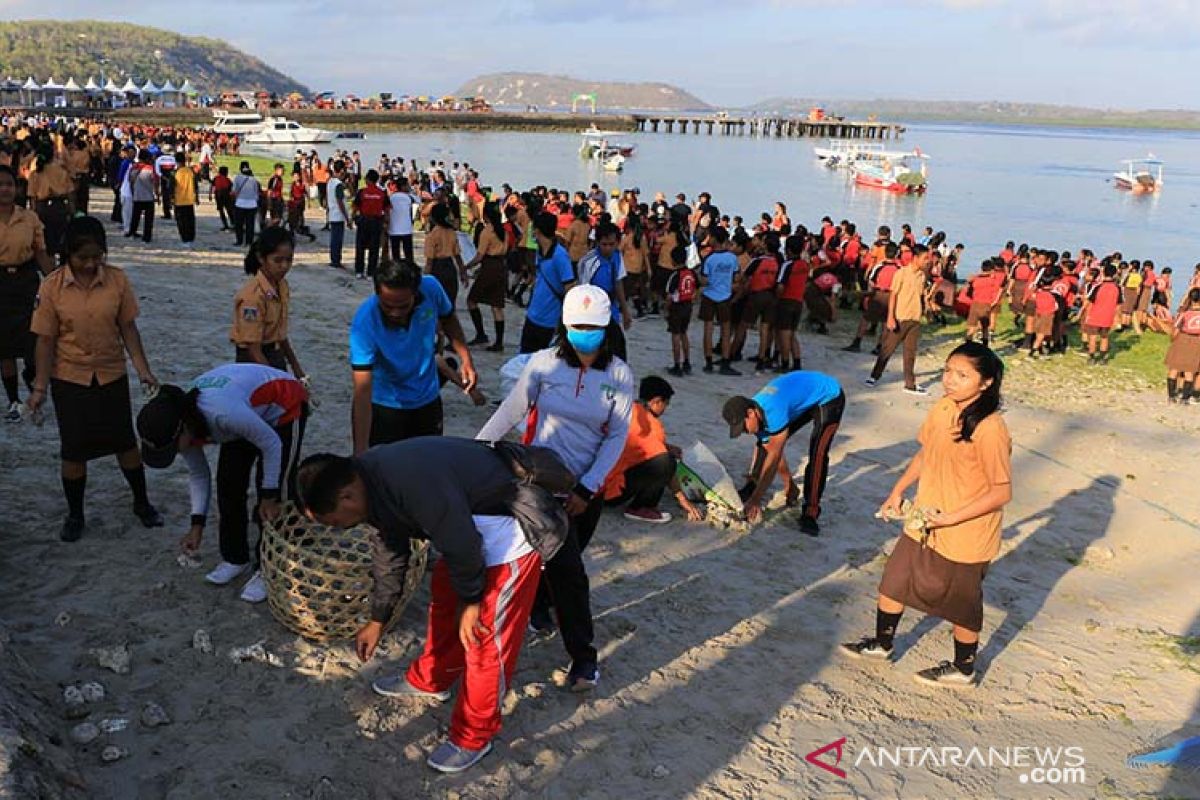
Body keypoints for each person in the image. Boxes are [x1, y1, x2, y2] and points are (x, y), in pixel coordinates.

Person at [295, 438, 567, 773]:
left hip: (507, 533)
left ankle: (474, 735)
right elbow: (390, 553)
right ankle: (432, 678)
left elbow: (463, 542)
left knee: (484, 639)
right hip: (465, 531)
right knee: (442, 606)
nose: (333, 529)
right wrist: (378, 618)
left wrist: (471, 602)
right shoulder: (369, 484)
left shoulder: (409, 481)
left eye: (331, 521)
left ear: (347, 495)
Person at [478, 285, 634, 692]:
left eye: (592, 327)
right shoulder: (544, 364)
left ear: (606, 328)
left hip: (586, 489)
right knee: (564, 570)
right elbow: (512, 409)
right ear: (565, 327)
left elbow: (616, 437)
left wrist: (588, 487)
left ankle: (543, 609)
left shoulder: (618, 374)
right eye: (577, 327)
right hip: (538, 483)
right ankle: (584, 659)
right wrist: (476, 450)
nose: (585, 333)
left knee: (568, 567)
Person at [841, 343, 1011, 688]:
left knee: (962, 605)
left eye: (962, 375)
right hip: (924, 518)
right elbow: (926, 453)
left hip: (966, 532)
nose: (950, 380)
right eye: (948, 371)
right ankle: (882, 643)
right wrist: (897, 489)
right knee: (894, 580)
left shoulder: (991, 428)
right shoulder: (943, 407)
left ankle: (964, 668)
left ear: (986, 383)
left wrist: (951, 519)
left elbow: (1000, 492)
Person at [27, 216, 163, 541]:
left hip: (110, 374)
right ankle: (75, 515)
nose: (90, 264)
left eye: (96, 256)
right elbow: (45, 340)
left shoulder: (117, 281)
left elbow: (128, 328)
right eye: (82, 258)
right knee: (74, 449)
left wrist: (143, 370)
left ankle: (142, 503)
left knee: (125, 443)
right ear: (67, 254)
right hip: (69, 378)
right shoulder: (51, 286)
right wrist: (40, 387)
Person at [136, 363, 309, 603]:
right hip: (247, 411)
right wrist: (197, 524)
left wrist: (269, 494)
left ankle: (269, 568)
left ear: (184, 429)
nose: (176, 453)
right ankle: (235, 557)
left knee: (275, 493)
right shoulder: (181, 420)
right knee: (228, 485)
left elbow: (272, 444)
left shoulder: (223, 414)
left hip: (284, 406)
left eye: (173, 448)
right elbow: (199, 475)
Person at [350, 259, 475, 451]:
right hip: (386, 407)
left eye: (403, 305)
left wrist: (466, 359)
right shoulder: (365, 323)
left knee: (425, 467)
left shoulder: (431, 288)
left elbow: (449, 320)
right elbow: (362, 390)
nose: (395, 312)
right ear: (377, 293)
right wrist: (360, 449)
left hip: (428, 402)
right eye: (388, 306)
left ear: (416, 293)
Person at [722, 370, 844, 535]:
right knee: (764, 445)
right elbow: (769, 449)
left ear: (750, 413)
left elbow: (774, 458)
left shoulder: (774, 412)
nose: (745, 432)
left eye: (743, 427)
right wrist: (789, 485)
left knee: (818, 455)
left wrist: (756, 500)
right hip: (802, 394)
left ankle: (811, 512)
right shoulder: (756, 411)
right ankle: (753, 485)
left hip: (829, 397)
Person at [603, 376, 702, 524]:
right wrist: (683, 500)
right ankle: (641, 507)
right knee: (666, 462)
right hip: (613, 491)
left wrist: (666, 446)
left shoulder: (626, 408)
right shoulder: (652, 426)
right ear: (656, 401)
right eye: (665, 404)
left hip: (598, 484)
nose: (665, 409)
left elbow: (636, 441)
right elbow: (665, 465)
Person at [0, 165, 54, 422]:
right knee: (5, 349)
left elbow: (41, 253)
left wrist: (56, 282)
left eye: (9, 184)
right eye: (0, 184)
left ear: (17, 187)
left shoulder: (30, 218)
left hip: (25, 283)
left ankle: (34, 392)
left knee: (32, 343)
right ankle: (13, 400)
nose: (5, 189)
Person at [231, 227, 306, 379]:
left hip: (275, 354)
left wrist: (297, 369)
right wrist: (275, 379)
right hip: (253, 361)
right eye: (277, 260)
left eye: (289, 260)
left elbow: (280, 334)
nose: (284, 266)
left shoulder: (282, 285)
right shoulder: (252, 297)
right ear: (261, 258)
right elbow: (253, 347)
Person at [864, 244, 930, 394]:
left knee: (910, 352)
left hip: (915, 318)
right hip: (901, 317)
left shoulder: (922, 275)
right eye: (925, 258)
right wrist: (890, 317)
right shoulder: (902, 273)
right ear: (916, 258)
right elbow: (893, 295)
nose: (927, 261)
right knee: (888, 349)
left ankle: (910, 383)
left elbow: (920, 296)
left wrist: (925, 309)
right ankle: (874, 376)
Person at [519, 211, 577, 354]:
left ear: (537, 230)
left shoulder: (560, 256)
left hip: (549, 322)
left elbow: (570, 289)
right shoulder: (540, 251)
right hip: (533, 315)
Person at [576, 221, 634, 361]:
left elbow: (618, 282)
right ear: (597, 242)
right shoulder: (588, 261)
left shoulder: (617, 256)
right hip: (593, 311)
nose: (608, 248)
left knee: (618, 351)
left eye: (611, 244)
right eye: (604, 244)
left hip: (611, 309)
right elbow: (583, 289)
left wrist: (625, 310)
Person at [463, 202, 510, 352]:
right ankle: (499, 341)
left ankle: (481, 333)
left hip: (489, 266)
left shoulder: (487, 232)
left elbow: (479, 256)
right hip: (501, 267)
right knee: (497, 306)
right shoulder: (504, 231)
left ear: (486, 216)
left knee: (471, 300)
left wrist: (467, 266)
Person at [698, 226, 739, 375]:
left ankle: (708, 362)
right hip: (725, 295)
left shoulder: (709, 258)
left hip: (710, 295)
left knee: (708, 330)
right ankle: (725, 361)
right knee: (726, 330)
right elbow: (736, 277)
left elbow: (704, 280)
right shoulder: (732, 258)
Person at [27, 146, 75, 256]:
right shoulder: (61, 171)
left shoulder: (35, 174)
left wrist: (33, 213)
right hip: (59, 208)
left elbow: (32, 197)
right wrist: (72, 210)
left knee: (45, 241)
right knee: (60, 239)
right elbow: (70, 193)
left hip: (42, 208)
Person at [773, 233, 809, 373]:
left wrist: (777, 298)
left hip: (786, 301)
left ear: (788, 250)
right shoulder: (804, 265)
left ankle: (785, 362)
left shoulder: (787, 265)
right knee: (792, 334)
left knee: (783, 334)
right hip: (798, 301)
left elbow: (781, 286)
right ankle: (797, 361)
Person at [664, 245, 697, 376]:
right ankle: (687, 362)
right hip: (688, 305)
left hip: (677, 307)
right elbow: (697, 287)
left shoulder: (675, 275)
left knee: (675, 335)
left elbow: (669, 296)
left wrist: (667, 310)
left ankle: (677, 364)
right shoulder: (691, 273)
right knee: (684, 333)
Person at [423, 202, 465, 305]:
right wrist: (463, 272)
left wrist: (425, 280)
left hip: (437, 269)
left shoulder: (432, 235)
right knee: (450, 303)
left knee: (435, 304)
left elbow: (429, 262)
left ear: (433, 218)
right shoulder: (451, 232)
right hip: (450, 267)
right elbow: (458, 256)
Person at [1080, 263, 1121, 365]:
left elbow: (1089, 301)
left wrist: (1083, 313)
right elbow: (1119, 304)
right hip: (1108, 316)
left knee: (1092, 337)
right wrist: (1117, 317)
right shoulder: (1118, 288)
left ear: (1103, 273)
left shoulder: (1098, 286)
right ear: (1115, 274)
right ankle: (1103, 358)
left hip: (1095, 315)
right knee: (1104, 337)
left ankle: (1092, 357)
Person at [1166, 288, 1200, 404]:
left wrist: (1173, 340)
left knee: (1174, 368)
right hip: (1197, 341)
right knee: (1190, 371)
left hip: (1183, 338)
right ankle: (1185, 398)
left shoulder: (1184, 314)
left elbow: (1175, 330)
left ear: (1190, 299)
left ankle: (1171, 396)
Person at [353, 169, 389, 279]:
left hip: (364, 220)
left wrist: (352, 219)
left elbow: (355, 207)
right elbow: (387, 210)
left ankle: (359, 271)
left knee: (360, 246)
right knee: (374, 247)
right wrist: (386, 223)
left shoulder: (362, 192)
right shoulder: (382, 193)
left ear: (368, 179)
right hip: (376, 221)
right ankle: (371, 272)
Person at [386, 176, 418, 263]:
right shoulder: (410, 197)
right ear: (403, 186)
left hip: (393, 229)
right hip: (406, 230)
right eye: (407, 185)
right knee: (408, 254)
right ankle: (410, 270)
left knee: (395, 254)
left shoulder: (391, 197)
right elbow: (419, 200)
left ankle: (396, 270)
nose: (409, 187)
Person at [231, 162, 261, 248]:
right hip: (252, 204)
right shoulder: (254, 180)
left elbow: (234, 191)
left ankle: (239, 241)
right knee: (250, 224)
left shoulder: (237, 178)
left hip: (240, 203)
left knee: (239, 224)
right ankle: (249, 242)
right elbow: (256, 193)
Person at [172, 151, 197, 245]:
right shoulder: (190, 171)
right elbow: (195, 185)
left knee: (181, 222)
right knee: (190, 220)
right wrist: (196, 197)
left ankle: (185, 239)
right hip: (190, 200)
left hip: (179, 201)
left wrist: (171, 199)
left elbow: (172, 186)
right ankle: (191, 238)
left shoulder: (175, 173)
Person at [212, 165, 234, 231]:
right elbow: (231, 189)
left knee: (221, 211)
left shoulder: (216, 178)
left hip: (218, 196)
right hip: (226, 196)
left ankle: (225, 225)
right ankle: (233, 223)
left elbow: (213, 186)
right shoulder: (228, 180)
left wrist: (210, 195)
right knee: (229, 211)